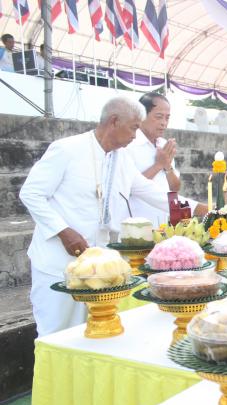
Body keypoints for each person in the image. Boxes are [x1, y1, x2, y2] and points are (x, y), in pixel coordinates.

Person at [19, 97, 206, 336]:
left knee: (91, 332)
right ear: (114, 121)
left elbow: (152, 193)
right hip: (58, 261)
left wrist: (202, 209)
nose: (135, 134)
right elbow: (31, 193)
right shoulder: (67, 149)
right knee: (55, 333)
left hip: (99, 267)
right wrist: (63, 231)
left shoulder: (121, 158)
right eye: (134, 127)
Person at [125, 92, 181, 227]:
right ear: (141, 116)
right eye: (159, 117)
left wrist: (167, 166)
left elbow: (174, 188)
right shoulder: (128, 145)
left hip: (163, 224)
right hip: (137, 226)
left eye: (167, 118)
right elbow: (129, 188)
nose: (164, 123)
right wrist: (158, 165)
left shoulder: (163, 145)